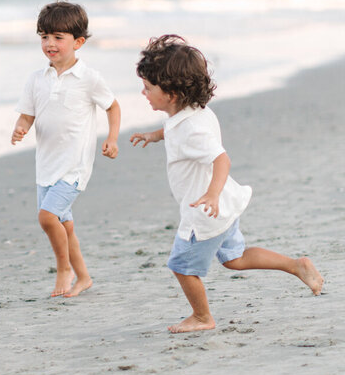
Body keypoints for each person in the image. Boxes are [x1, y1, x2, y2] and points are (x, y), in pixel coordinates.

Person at [129, 34, 324, 333]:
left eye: (148, 88)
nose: (143, 93)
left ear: (170, 93)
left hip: (204, 211)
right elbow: (173, 129)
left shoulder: (192, 129)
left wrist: (211, 194)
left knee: (181, 266)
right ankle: (296, 265)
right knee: (235, 258)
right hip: (223, 207)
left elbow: (222, 159)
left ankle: (202, 317)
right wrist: (152, 136)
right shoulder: (192, 114)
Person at [11, 0, 121, 298]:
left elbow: (112, 106)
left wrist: (112, 138)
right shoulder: (36, 79)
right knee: (65, 226)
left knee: (47, 218)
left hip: (74, 167)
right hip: (46, 165)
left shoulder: (89, 78)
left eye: (58, 37)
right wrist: (21, 127)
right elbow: (28, 114)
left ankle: (64, 269)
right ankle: (84, 277)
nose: (50, 44)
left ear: (79, 42)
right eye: (45, 36)